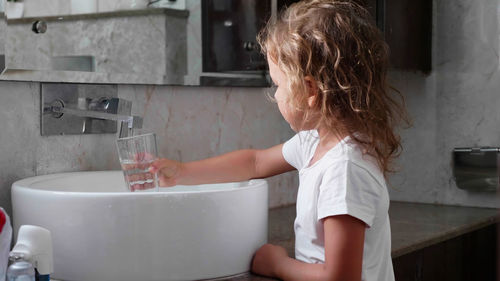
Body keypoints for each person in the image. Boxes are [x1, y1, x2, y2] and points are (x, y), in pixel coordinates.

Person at [150, 0, 409, 280]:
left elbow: (341, 277)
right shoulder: (313, 144)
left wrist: (278, 265)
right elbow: (255, 162)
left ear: (309, 89)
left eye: (278, 84)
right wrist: (182, 172)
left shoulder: (344, 169)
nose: (275, 95)